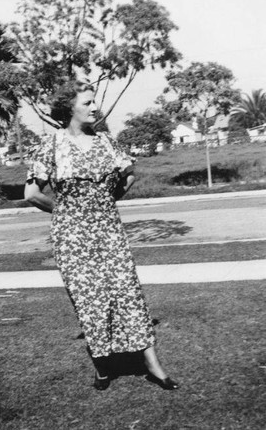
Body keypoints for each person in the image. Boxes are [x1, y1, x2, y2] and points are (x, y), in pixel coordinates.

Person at [24, 83, 179, 391]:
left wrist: (106, 202)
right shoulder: (51, 145)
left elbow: (129, 174)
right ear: (70, 109)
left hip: (109, 231)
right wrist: (67, 212)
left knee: (128, 293)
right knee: (89, 301)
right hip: (72, 238)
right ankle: (102, 366)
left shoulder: (107, 141)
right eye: (88, 102)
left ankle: (154, 366)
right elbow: (31, 194)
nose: (95, 107)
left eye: (95, 101)